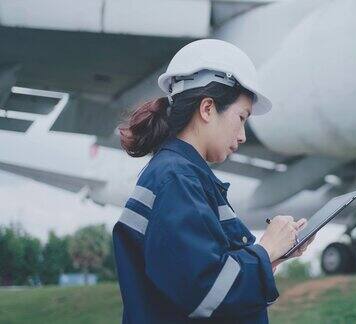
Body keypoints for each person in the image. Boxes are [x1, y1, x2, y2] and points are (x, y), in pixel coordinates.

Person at [113, 39, 314, 323]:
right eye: (241, 117)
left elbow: (209, 276)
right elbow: (207, 294)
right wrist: (265, 249)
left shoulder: (183, 176)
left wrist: (274, 255)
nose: (243, 135)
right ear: (207, 109)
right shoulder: (177, 179)